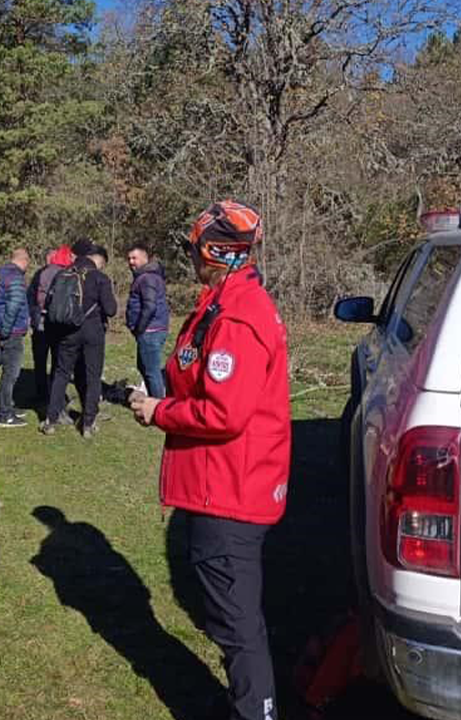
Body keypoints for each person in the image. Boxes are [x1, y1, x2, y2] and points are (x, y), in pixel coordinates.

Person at [129, 201, 290, 720]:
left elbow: (225, 411)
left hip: (230, 491)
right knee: (233, 620)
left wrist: (159, 411)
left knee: (237, 626)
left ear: (216, 254)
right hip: (224, 485)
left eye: (195, 250)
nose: (190, 258)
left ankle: (254, 710)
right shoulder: (226, 302)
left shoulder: (240, 314)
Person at [41, 240, 116, 438]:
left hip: (67, 331)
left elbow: (50, 303)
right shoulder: (100, 277)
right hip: (92, 332)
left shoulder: (62, 274)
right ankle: (88, 424)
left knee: (61, 373)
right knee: (93, 376)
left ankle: (50, 420)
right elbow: (111, 309)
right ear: (96, 260)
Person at [0, 248, 31, 427]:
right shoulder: (16, 279)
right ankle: (5, 415)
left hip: (0, 329)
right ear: (25, 260)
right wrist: (4, 331)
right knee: (11, 374)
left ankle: (8, 406)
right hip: (11, 332)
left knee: (8, 372)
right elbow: (13, 308)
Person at [28, 245, 72, 407]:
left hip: (44, 324)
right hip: (48, 325)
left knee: (46, 362)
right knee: (49, 362)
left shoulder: (44, 273)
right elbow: (31, 297)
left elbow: (31, 297)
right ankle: (49, 395)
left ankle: (47, 394)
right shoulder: (62, 273)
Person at [125, 242, 171, 398]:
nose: (131, 262)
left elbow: (149, 306)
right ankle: (154, 399)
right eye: (129, 258)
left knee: (151, 370)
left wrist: (139, 328)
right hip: (150, 329)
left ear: (144, 258)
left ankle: (158, 405)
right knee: (144, 366)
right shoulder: (146, 277)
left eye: (134, 258)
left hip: (150, 330)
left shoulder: (147, 278)